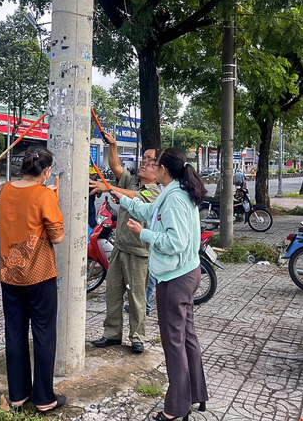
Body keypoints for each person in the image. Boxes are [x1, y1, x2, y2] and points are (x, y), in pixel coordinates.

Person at [115, 147, 209, 421]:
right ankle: (195, 394)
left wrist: (142, 233)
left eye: (154, 164)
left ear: (163, 170)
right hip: (184, 273)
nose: (150, 167)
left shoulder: (175, 199)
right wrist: (122, 199)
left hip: (175, 278)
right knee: (187, 337)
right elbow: (149, 208)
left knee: (174, 343)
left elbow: (175, 242)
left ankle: (175, 408)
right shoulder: (174, 192)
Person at [0, 148, 66, 413]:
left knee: (14, 332)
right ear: (46, 172)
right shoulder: (44, 194)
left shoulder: (4, 189)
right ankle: (44, 397)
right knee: (43, 334)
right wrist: (53, 200)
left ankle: (17, 394)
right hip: (39, 275)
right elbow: (57, 237)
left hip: (9, 274)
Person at [89, 133, 160, 354]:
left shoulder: (155, 191)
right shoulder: (133, 181)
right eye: (144, 160)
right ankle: (112, 334)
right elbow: (117, 167)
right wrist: (112, 145)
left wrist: (109, 188)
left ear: (159, 171)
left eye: (150, 162)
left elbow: (134, 196)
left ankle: (137, 337)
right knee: (113, 292)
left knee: (137, 298)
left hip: (139, 252)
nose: (144, 164)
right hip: (120, 247)